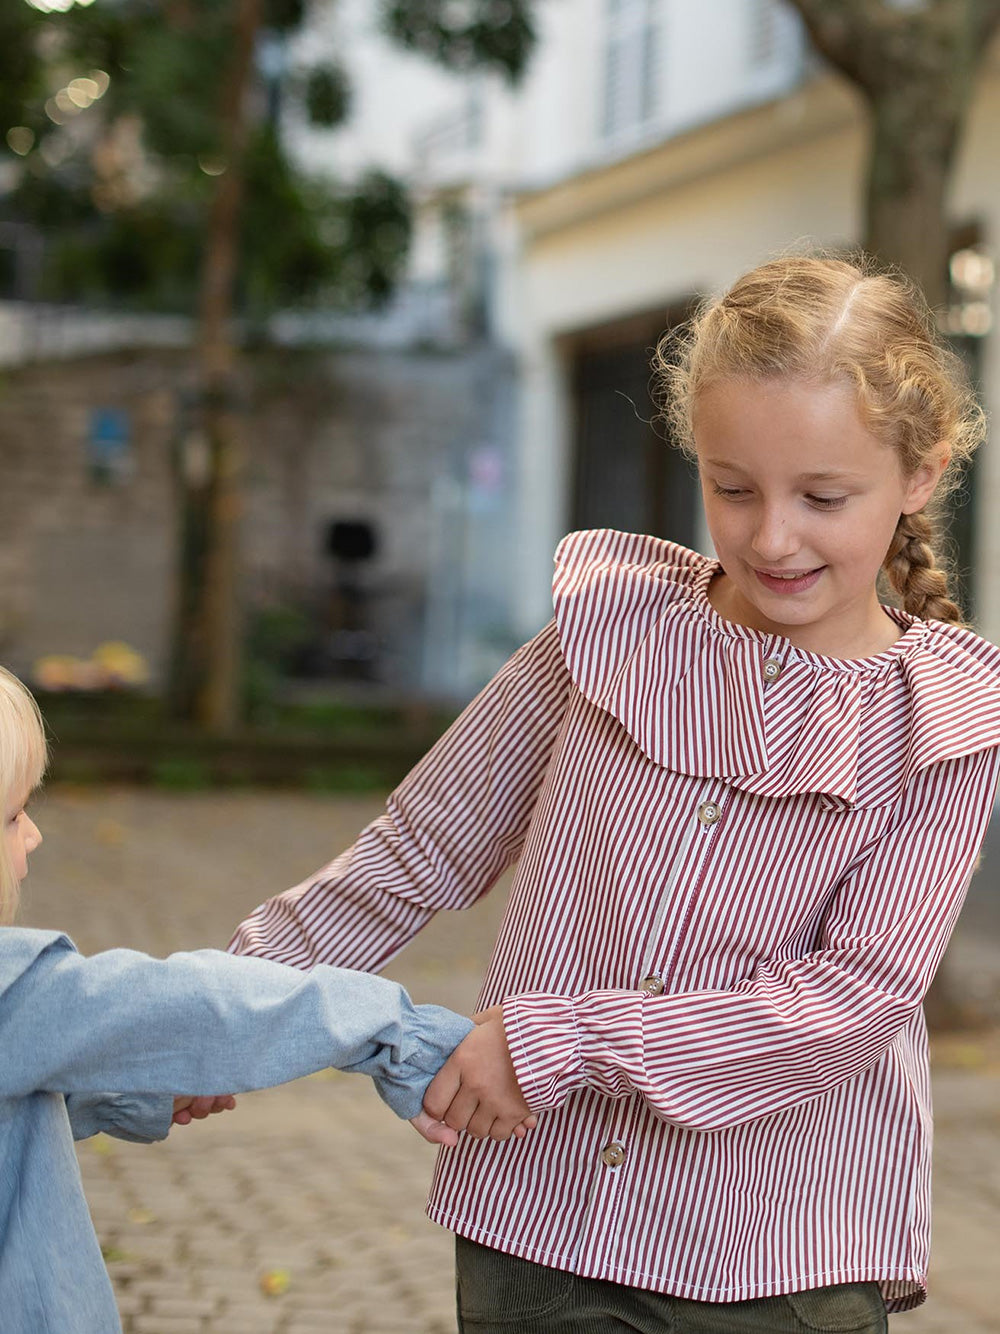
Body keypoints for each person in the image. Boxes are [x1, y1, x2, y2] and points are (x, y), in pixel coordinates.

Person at [231, 254, 1000, 1333]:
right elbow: (421, 844)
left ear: (922, 472)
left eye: (822, 496)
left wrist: (554, 1041)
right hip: (535, 1227)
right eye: (732, 487)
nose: (771, 535)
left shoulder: (942, 727)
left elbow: (848, 1003)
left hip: (776, 1260)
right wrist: (226, 1006)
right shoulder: (605, 631)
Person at [0, 665, 486, 1334]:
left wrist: (140, 1090)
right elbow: (197, 1008)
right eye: (14, 814)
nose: (33, 835)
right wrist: (403, 1036)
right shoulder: (12, 994)